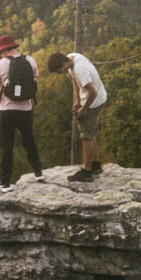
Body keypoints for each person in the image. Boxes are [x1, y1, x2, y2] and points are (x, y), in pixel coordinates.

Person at [0, 33, 44, 193]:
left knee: (6, 146)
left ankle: (4, 183)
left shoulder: (0, 65)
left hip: (6, 111)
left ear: (3, 50)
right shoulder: (30, 61)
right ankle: (38, 173)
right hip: (26, 110)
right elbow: (35, 87)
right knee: (29, 141)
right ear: (14, 46)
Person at [47, 51, 107, 182]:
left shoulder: (80, 69)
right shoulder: (72, 57)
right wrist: (78, 101)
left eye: (59, 70)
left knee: (86, 136)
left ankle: (87, 171)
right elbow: (74, 80)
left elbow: (92, 91)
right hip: (99, 98)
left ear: (64, 64)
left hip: (94, 101)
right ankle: (96, 165)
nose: (59, 73)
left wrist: (84, 109)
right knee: (91, 132)